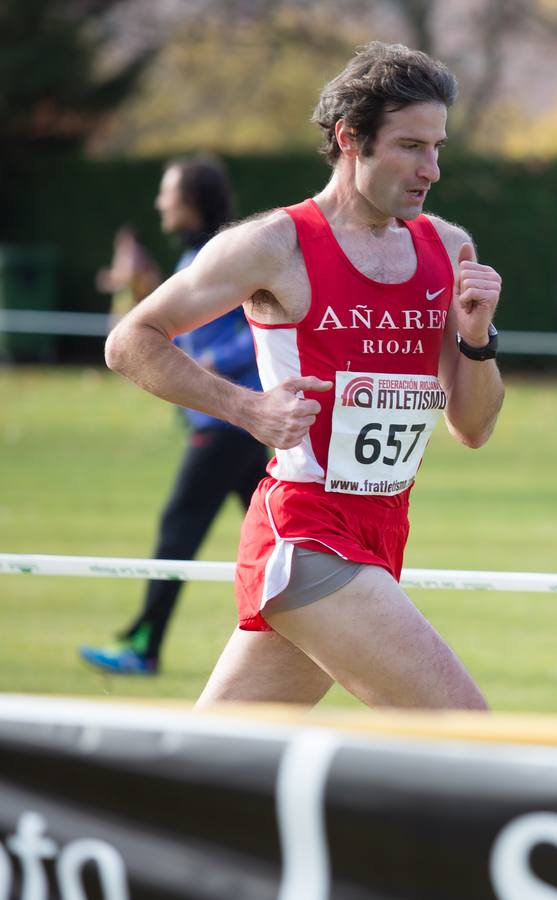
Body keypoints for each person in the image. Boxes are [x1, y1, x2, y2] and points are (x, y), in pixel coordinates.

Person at [105, 42, 504, 710]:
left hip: (382, 528)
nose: (430, 169)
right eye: (410, 146)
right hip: (306, 533)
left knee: (216, 771)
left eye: (437, 148)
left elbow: (473, 426)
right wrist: (246, 408)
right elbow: (130, 341)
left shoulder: (449, 247)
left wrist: (476, 339)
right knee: (467, 732)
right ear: (351, 139)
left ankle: (75, 819)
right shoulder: (275, 244)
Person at [81, 154, 270, 676]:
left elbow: (262, 328)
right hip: (234, 424)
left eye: (167, 192)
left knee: (176, 534)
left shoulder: (218, 258)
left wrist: (210, 363)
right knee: (280, 536)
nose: (160, 201)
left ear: (190, 201)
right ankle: (325, 627)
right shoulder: (197, 258)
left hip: (226, 423)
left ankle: (144, 649)